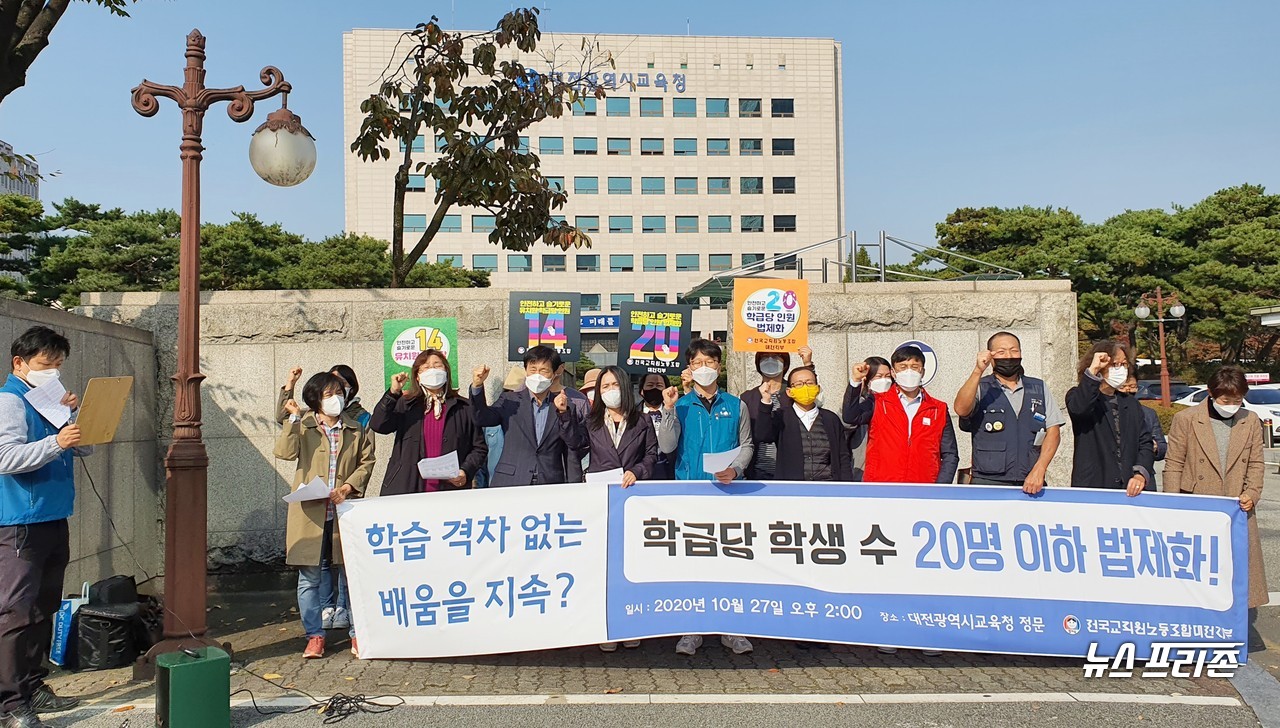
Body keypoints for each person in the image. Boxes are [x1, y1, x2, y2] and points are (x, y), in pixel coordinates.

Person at [0, 326, 93, 724]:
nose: (53, 371)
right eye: (45, 364)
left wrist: (73, 417)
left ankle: (34, 686)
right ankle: (10, 703)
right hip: (20, 521)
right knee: (16, 612)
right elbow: (5, 457)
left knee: (44, 607)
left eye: (58, 364)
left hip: (54, 516)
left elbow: (83, 446)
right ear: (18, 363)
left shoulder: (49, 397)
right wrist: (58, 442)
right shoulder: (9, 400)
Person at [1162, 365, 1268, 652]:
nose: (1231, 406)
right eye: (1225, 400)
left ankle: (1230, 633)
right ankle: (1192, 631)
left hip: (1236, 506)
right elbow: (1174, 464)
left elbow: (1257, 463)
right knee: (1198, 573)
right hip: (1196, 505)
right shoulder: (1187, 419)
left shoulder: (1251, 420)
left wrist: (1252, 493)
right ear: (1210, 394)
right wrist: (1173, 504)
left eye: (1237, 400)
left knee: (1235, 574)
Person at [276, 372, 375, 659]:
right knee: (309, 578)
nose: (336, 399)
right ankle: (314, 636)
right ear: (316, 399)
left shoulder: (356, 428)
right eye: (329, 395)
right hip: (310, 511)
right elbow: (285, 452)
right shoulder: (304, 425)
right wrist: (293, 420)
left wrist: (347, 487)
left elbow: (367, 462)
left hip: (345, 510)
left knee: (352, 575)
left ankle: (358, 635)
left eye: (340, 393)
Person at [672, 338, 755, 656]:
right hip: (689, 494)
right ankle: (691, 630)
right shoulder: (680, 405)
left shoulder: (736, 405)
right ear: (689, 369)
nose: (704, 369)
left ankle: (731, 629)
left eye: (710, 363)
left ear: (719, 367)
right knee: (691, 563)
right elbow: (667, 446)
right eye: (698, 363)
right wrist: (668, 409)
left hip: (728, 494)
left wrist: (735, 469)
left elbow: (747, 444)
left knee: (729, 562)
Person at [584, 366, 661, 652]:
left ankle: (630, 623)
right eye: (604, 386)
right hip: (600, 500)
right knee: (603, 565)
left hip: (631, 498)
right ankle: (605, 625)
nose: (609, 391)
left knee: (630, 564)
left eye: (614, 384)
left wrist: (638, 471)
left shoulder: (641, 421)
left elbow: (652, 454)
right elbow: (575, 448)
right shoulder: (591, 421)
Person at [953, 332, 1064, 493]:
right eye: (1001, 352)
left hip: (1030, 481)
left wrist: (1039, 469)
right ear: (990, 356)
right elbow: (961, 409)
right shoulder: (981, 386)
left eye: (1014, 350)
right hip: (987, 481)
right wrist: (978, 371)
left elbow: (1053, 432)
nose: (1009, 356)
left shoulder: (1038, 387)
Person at [370, 349, 487, 495]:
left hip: (450, 492)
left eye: (437, 365)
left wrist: (465, 471)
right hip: (407, 489)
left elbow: (479, 448)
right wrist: (393, 393)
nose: (432, 370)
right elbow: (378, 425)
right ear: (417, 376)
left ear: (446, 372)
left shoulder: (464, 407)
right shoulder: (405, 404)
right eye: (425, 367)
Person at [469, 346, 585, 487]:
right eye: (533, 370)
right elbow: (482, 418)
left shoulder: (564, 405)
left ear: (554, 374)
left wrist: (563, 413)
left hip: (550, 481)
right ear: (526, 371)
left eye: (544, 371)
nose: (537, 375)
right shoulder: (509, 400)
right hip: (512, 480)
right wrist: (477, 387)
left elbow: (573, 443)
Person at [843, 346, 960, 486]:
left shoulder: (938, 408)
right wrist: (855, 382)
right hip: (881, 486)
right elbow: (850, 416)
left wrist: (941, 486)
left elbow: (950, 454)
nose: (908, 371)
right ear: (893, 372)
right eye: (903, 367)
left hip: (925, 487)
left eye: (914, 366)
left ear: (922, 372)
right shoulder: (878, 402)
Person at [1065, 341, 1154, 493]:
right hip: (1093, 486)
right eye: (1114, 364)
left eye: (1124, 364)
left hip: (1127, 488)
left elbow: (1145, 442)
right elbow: (1080, 409)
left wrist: (1140, 474)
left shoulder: (1131, 404)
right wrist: (1092, 371)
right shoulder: (1078, 395)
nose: (1120, 369)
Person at [754, 367, 853, 482]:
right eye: (799, 384)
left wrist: (846, 485)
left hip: (827, 487)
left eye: (810, 383)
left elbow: (843, 456)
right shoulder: (781, 416)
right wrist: (766, 402)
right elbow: (763, 435)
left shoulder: (831, 419)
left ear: (817, 388)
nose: (805, 387)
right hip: (792, 489)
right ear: (789, 391)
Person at [739, 346, 813, 479]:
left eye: (776, 356)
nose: (771, 360)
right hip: (757, 471)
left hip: (789, 470)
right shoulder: (747, 397)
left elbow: (812, 399)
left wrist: (808, 365)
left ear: (784, 363)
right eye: (765, 357)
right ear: (758, 363)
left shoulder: (794, 394)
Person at [276, 364, 371, 428]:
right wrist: (290, 383)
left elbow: (366, 454)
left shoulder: (362, 417)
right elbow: (284, 418)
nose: (335, 388)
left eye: (341, 384)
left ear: (351, 388)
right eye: (332, 383)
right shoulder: (313, 414)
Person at [474, 366, 524, 489]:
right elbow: (482, 459)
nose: (512, 397)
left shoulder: (527, 421)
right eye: (509, 391)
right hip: (494, 486)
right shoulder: (491, 420)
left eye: (518, 393)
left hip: (522, 484)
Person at [843, 356, 892, 480]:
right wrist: (855, 383)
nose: (884, 380)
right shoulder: (860, 403)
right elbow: (846, 421)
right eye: (879, 376)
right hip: (863, 469)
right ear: (867, 379)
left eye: (888, 376)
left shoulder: (895, 404)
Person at [1118, 376, 1166, 490]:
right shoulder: (1110, 411)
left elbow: (1163, 447)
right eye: (1123, 387)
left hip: (1145, 477)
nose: (1128, 390)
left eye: (1132, 386)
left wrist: (1155, 447)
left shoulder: (1149, 413)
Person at [637, 372, 681, 479]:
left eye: (659, 386)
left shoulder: (677, 413)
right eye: (650, 385)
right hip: (640, 473)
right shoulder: (631, 414)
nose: (655, 389)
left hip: (671, 472)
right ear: (642, 391)